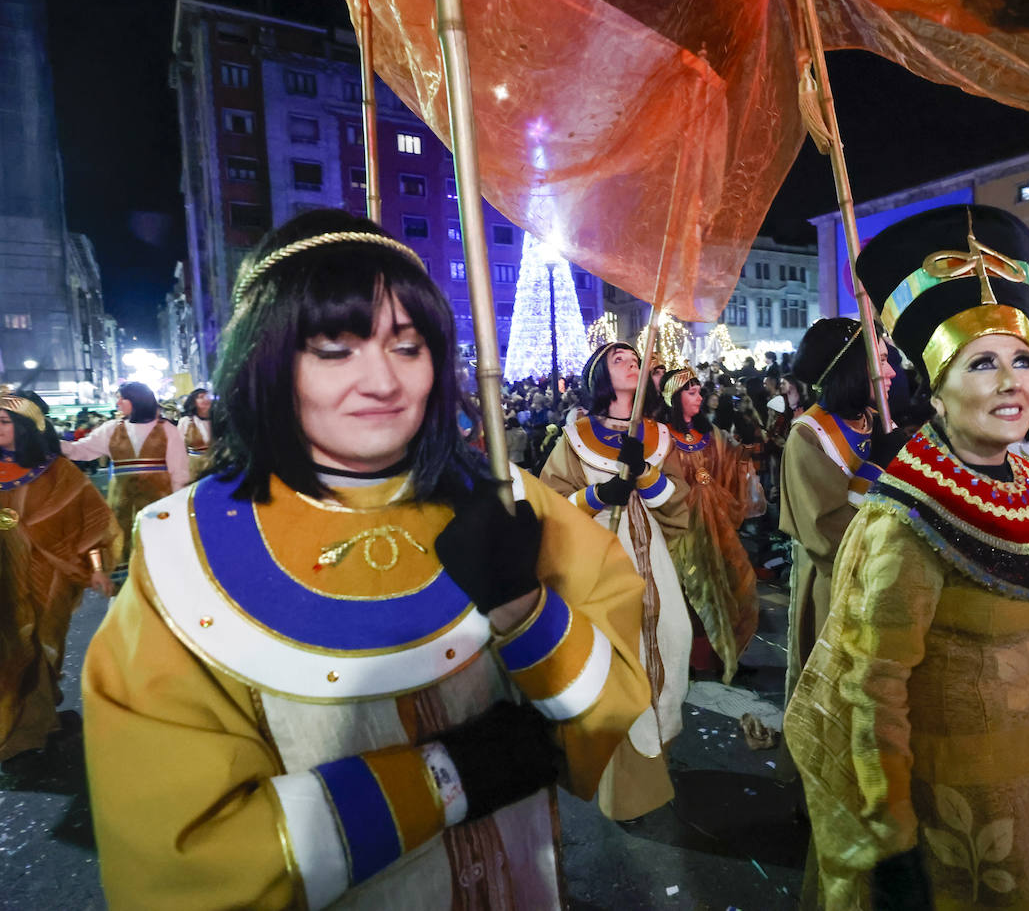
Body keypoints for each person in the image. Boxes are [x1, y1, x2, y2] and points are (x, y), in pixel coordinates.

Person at [81, 210, 651, 908]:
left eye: (408, 346)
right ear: (266, 358)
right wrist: (446, 779)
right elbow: (179, 861)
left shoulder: (509, 499)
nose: (383, 380)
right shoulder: (180, 554)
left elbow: (614, 706)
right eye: (334, 348)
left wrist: (526, 611)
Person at [786, 204, 1029, 910]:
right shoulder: (905, 519)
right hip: (948, 802)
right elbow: (871, 687)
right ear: (935, 389)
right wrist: (890, 830)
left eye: (1022, 361)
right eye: (982, 364)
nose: (1012, 383)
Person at [539, 341, 691, 820]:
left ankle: (659, 757)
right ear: (601, 378)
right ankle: (624, 789)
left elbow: (680, 503)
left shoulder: (659, 436)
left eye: (635, 359)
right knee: (618, 660)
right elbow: (550, 502)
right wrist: (599, 493)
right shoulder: (576, 437)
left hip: (656, 562)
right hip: (603, 561)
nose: (632, 363)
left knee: (671, 640)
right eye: (619, 359)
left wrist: (645, 477)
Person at [778, 317, 896, 699]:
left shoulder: (874, 420)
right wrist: (877, 469)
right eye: (880, 361)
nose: (891, 371)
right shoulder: (808, 436)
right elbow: (827, 533)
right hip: (840, 584)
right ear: (851, 369)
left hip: (887, 575)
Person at [0, 394, 115, 763]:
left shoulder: (59, 472)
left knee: (41, 648)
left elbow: (91, 524)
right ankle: (14, 726)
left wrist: (96, 567)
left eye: (3, 421)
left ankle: (38, 721)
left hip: (48, 577)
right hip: (2, 575)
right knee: (10, 649)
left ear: (23, 427)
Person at [657, 368, 758, 683]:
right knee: (685, 593)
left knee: (729, 583)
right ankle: (684, 660)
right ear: (674, 398)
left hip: (716, 527)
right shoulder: (659, 437)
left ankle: (724, 655)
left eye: (700, 391)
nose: (699, 398)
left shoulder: (712, 435)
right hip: (678, 529)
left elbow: (730, 465)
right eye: (691, 392)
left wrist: (741, 456)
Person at [61, 382, 189, 582]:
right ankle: (125, 599)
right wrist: (55, 445)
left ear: (137, 400)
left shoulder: (167, 430)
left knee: (157, 549)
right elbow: (81, 450)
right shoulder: (111, 428)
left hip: (158, 503)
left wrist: (178, 505)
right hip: (121, 504)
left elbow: (179, 471)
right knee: (122, 546)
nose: (118, 402)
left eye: (122, 398)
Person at [177, 388, 214, 479]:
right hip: (195, 467)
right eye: (201, 397)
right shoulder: (186, 421)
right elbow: (179, 448)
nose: (206, 399)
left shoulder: (218, 420)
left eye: (207, 396)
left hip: (216, 465)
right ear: (193, 401)